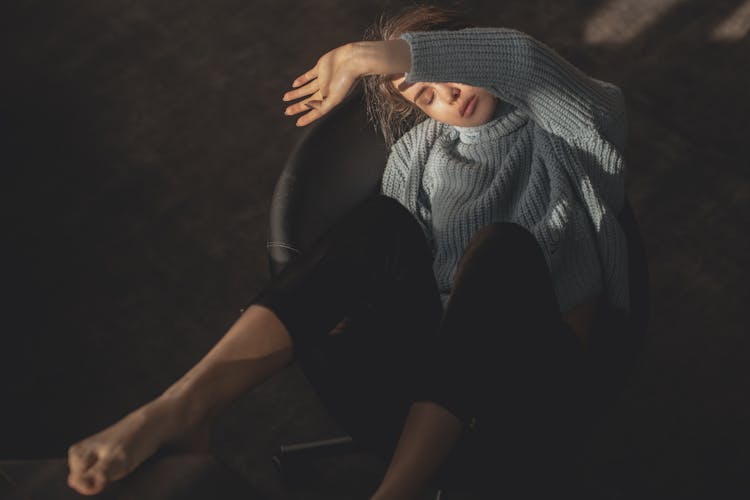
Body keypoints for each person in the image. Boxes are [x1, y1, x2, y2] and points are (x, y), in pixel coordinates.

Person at [67, 4, 634, 498]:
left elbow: (523, 61)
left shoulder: (570, 132)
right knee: (382, 223)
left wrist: (372, 56)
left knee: (501, 249)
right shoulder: (417, 153)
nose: (447, 95)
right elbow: (386, 264)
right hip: (430, 366)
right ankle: (182, 406)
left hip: (532, 376)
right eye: (424, 95)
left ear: (470, 54)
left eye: (448, 73)